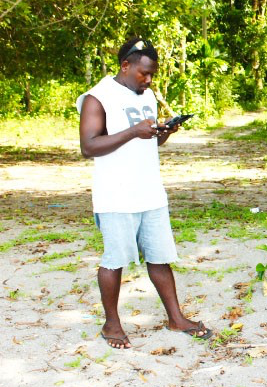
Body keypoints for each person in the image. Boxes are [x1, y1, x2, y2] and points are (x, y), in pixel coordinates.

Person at [77, 38, 212, 349]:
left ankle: (176, 318)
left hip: (150, 192)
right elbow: (88, 146)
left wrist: (162, 134)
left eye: (152, 74)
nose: (148, 80)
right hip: (116, 196)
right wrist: (133, 131)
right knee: (114, 260)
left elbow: (146, 142)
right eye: (144, 73)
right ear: (126, 66)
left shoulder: (147, 94)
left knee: (160, 258)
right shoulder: (98, 97)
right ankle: (112, 324)